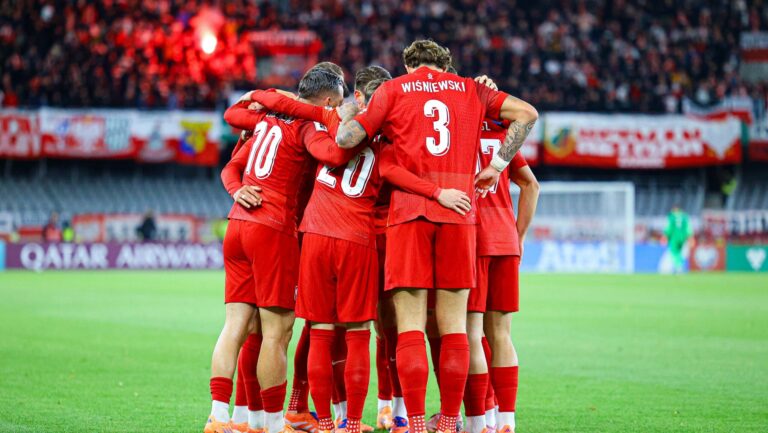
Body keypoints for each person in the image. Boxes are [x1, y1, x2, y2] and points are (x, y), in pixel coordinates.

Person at [335, 40, 538, 433]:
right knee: (455, 329)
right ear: (446, 66)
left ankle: (411, 422)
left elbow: (346, 140)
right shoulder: (470, 88)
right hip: (460, 215)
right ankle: (448, 422)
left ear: (410, 65)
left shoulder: (393, 90)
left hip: (409, 215)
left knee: (410, 326)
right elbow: (527, 115)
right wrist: (497, 165)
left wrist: (347, 111)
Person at [207, 68, 347, 433]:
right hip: (273, 229)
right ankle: (271, 424)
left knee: (235, 326)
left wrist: (238, 191)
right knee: (277, 333)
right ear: (329, 100)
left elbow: (232, 125)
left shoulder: (265, 121)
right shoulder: (306, 129)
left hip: (237, 225)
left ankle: (219, 417)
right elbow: (332, 154)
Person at [664, 205, 693, 274]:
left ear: (675, 209)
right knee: (680, 252)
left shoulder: (672, 216)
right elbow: (688, 227)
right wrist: (690, 236)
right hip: (683, 237)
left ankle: (678, 267)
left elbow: (669, 227)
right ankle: (680, 266)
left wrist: (665, 235)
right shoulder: (684, 216)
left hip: (674, 237)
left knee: (674, 252)